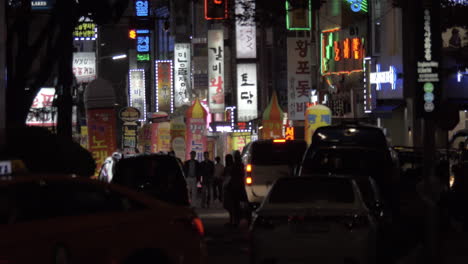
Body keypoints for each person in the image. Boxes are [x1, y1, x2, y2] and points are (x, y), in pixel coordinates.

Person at [223, 151, 249, 227]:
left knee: (233, 206)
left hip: (234, 188)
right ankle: (236, 221)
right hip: (239, 187)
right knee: (236, 206)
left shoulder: (233, 166)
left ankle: (234, 221)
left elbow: (230, 177)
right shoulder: (241, 165)